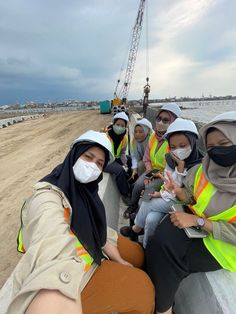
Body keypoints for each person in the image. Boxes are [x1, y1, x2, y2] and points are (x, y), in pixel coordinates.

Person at [7, 130, 155, 314]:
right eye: (88, 157)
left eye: (99, 163)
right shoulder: (47, 197)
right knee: (143, 289)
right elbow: (51, 249)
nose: (92, 166)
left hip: (94, 247)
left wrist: (119, 261)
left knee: (138, 255)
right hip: (77, 272)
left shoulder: (87, 191)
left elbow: (99, 235)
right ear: (74, 155)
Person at [145, 112, 236, 314]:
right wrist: (178, 192)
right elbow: (192, 196)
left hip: (223, 248)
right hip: (199, 229)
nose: (217, 152)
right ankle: (157, 295)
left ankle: (163, 309)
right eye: (211, 147)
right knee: (158, 242)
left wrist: (198, 221)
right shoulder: (205, 169)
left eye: (224, 143)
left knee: (169, 256)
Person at [121, 118, 202, 247]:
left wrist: (180, 169)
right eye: (173, 147)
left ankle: (135, 230)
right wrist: (160, 194)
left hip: (186, 204)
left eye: (183, 146)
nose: (178, 150)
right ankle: (147, 247)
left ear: (193, 142)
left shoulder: (199, 166)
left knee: (148, 202)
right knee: (151, 219)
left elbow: (184, 193)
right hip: (171, 196)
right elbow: (170, 183)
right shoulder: (170, 159)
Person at [123, 103, 182, 219]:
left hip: (165, 176)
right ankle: (133, 205)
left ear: (173, 122)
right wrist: (149, 169)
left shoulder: (175, 141)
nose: (160, 123)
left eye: (166, 120)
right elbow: (146, 157)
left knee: (148, 191)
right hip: (153, 170)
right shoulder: (153, 136)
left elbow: (175, 168)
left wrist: (157, 175)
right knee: (139, 184)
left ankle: (139, 213)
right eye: (159, 119)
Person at [103, 111, 131, 203]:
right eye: (117, 124)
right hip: (105, 160)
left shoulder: (124, 138)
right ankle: (125, 193)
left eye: (122, 125)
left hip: (116, 158)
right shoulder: (105, 135)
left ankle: (129, 180)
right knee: (119, 170)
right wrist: (120, 165)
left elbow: (123, 152)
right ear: (113, 123)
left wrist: (125, 162)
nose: (120, 127)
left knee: (130, 160)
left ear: (125, 127)